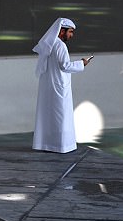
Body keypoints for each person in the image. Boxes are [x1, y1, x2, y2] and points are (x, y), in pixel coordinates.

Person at [32, 17, 92, 153]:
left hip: (49, 86)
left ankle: (46, 144)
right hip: (59, 87)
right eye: (70, 32)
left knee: (49, 116)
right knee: (61, 116)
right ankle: (61, 146)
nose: (72, 35)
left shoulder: (50, 44)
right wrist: (82, 63)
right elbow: (65, 66)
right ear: (61, 31)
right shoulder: (60, 46)